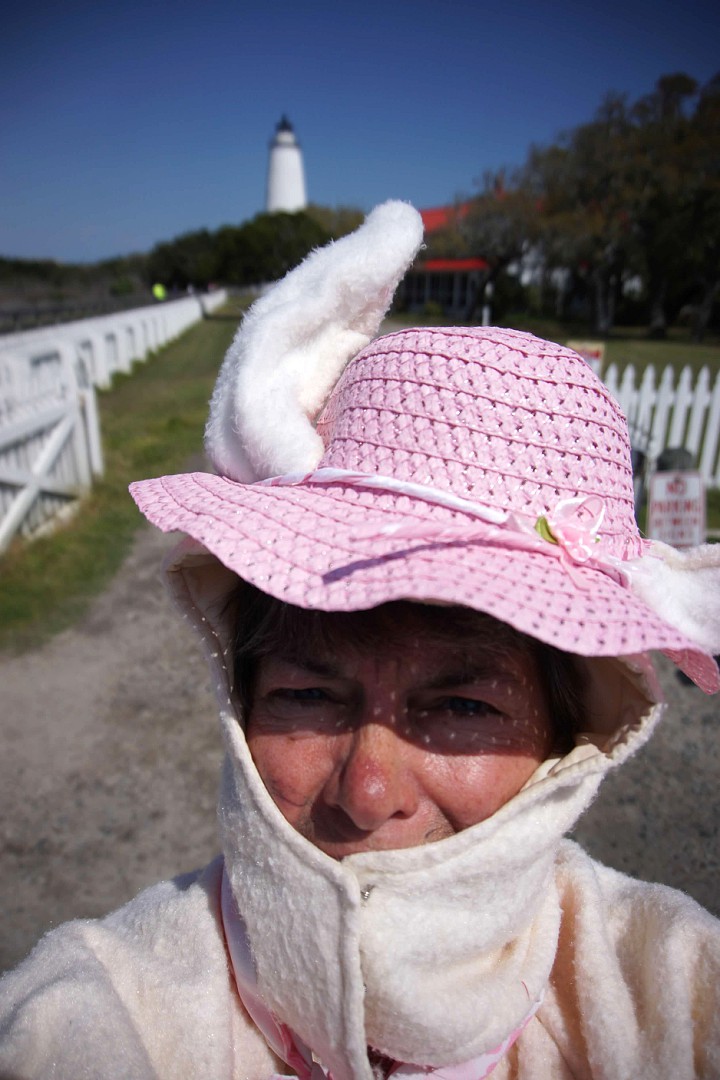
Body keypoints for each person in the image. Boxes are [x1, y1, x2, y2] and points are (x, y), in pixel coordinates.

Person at [1, 202, 719, 1079]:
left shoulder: (670, 990)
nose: (368, 791)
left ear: (572, 735)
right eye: (307, 694)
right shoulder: (112, 1010)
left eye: (461, 705)